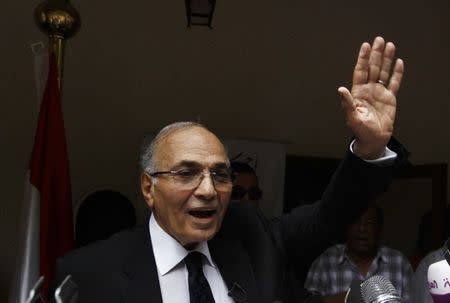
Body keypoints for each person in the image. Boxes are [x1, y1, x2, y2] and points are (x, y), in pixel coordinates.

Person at [53, 36, 407, 303]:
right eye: (186, 173)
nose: (208, 189)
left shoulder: (252, 238)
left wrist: (370, 148)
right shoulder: (90, 273)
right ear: (148, 188)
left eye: (220, 175)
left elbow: (329, 216)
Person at [304, 205, 413, 303]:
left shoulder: (399, 263)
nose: (362, 229)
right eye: (355, 221)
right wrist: (345, 298)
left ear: (379, 229)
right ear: (346, 227)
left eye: (369, 223)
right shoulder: (326, 262)